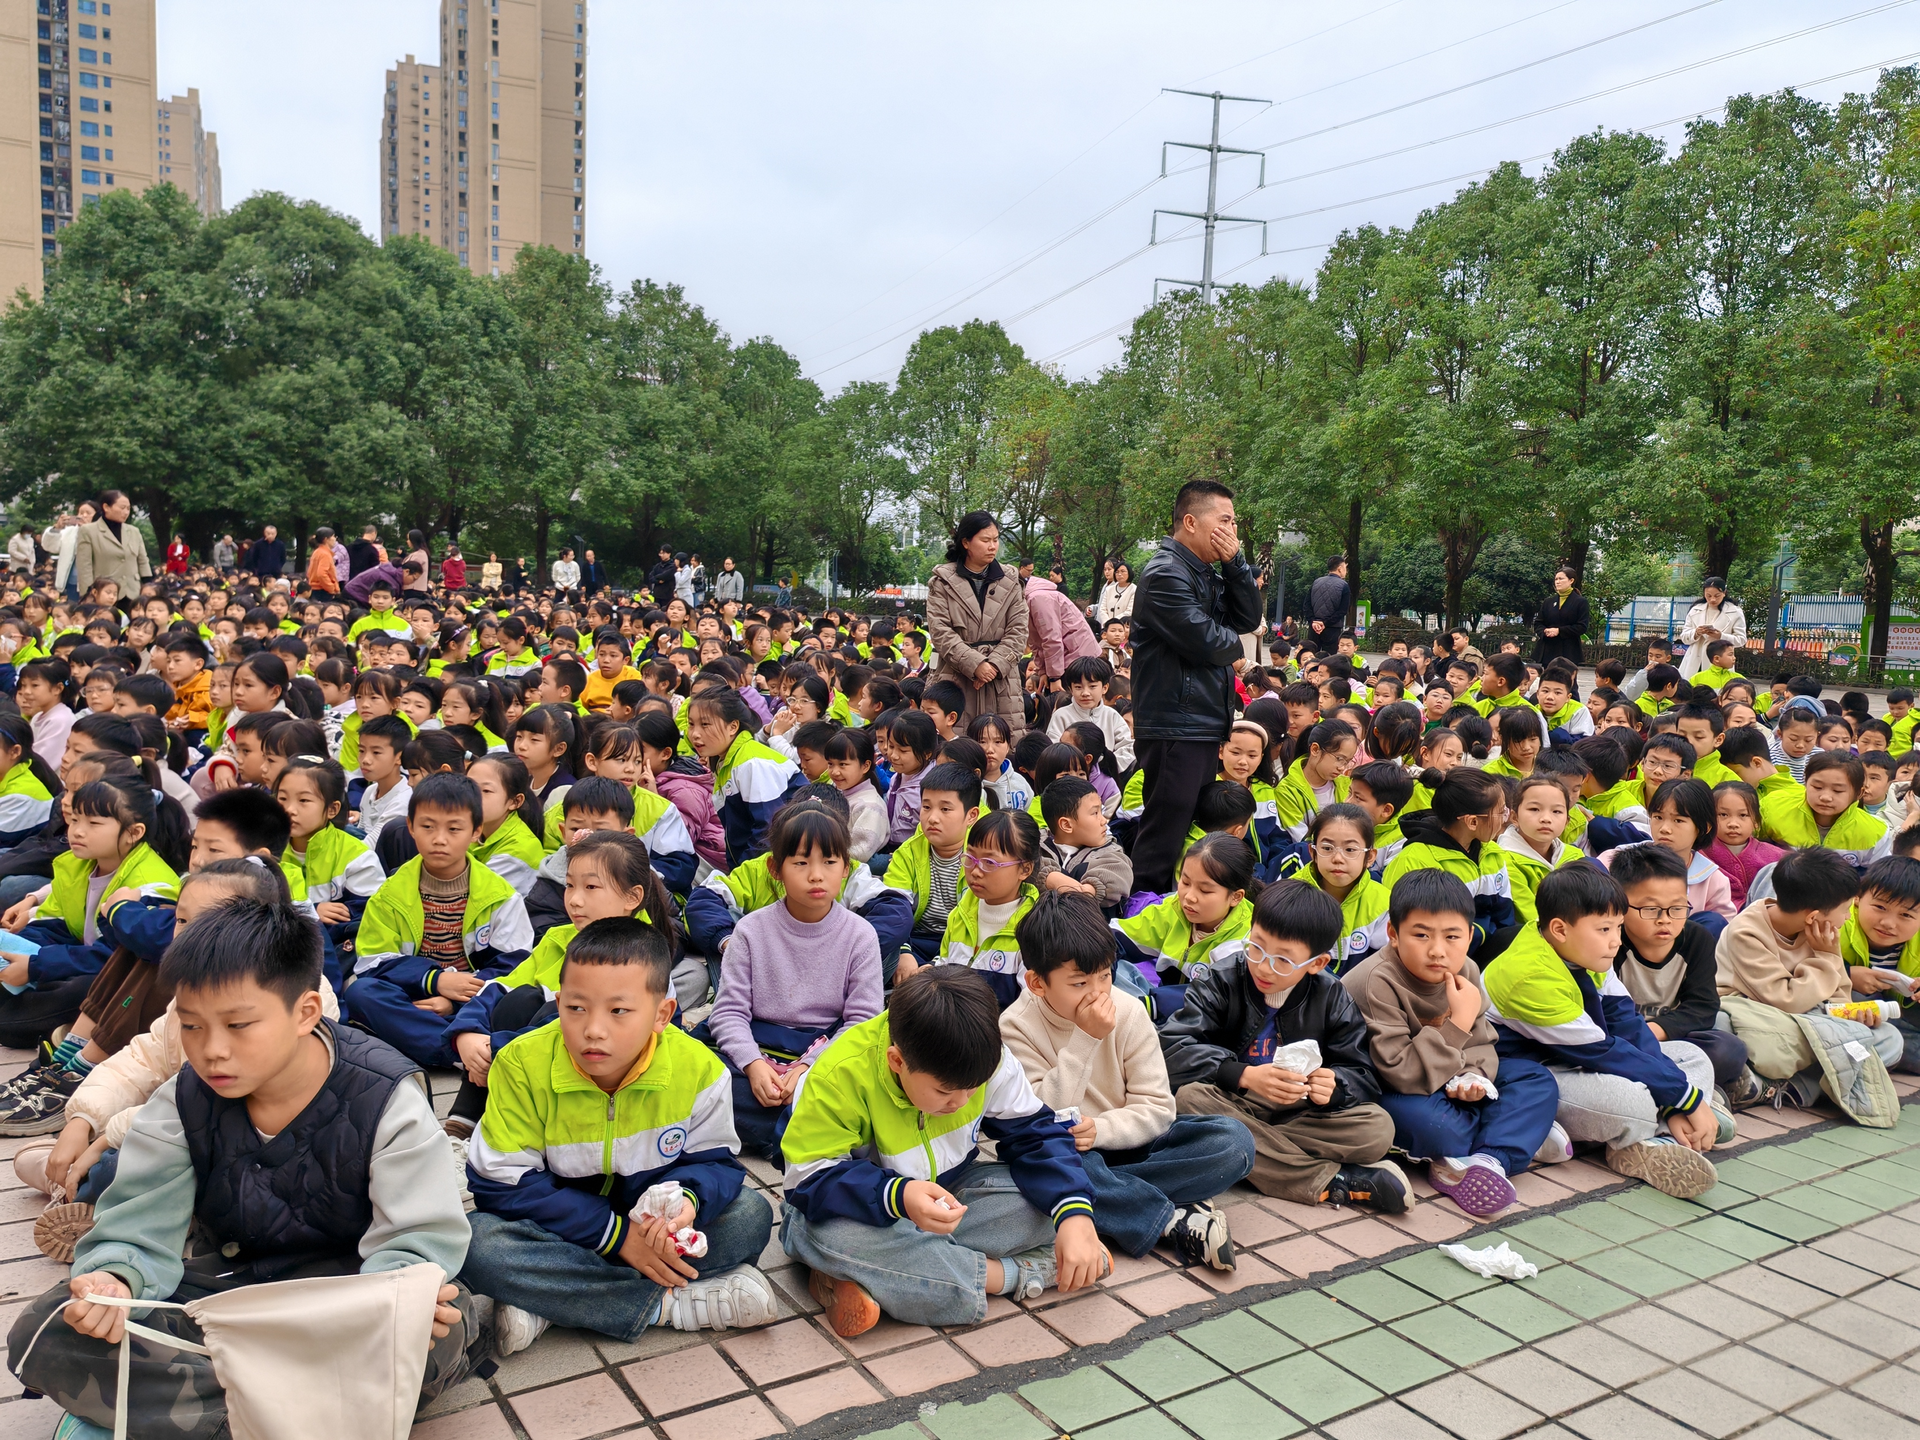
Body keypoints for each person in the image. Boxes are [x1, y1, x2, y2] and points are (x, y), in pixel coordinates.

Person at [7, 898, 480, 1437]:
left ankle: (194, 1410)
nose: (212, 1051)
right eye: (191, 1026)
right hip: (231, 1291)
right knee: (46, 1329)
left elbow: (415, 1244)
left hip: (352, 1298)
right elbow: (137, 1231)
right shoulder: (182, 1101)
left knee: (440, 1330)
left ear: (305, 1012)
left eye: (238, 1025)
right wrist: (114, 1279)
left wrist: (399, 1304)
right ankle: (294, 1412)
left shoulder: (385, 1098)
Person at [458, 915, 779, 1353]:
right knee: (477, 1244)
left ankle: (551, 1300)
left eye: (618, 1011)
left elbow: (715, 1162)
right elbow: (499, 1182)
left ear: (662, 1014)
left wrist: (685, 1201)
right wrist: (615, 1236)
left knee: (751, 1217)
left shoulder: (700, 1069)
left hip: (647, 1227)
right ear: (559, 1001)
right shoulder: (520, 1064)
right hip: (560, 1225)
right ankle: (667, 1306)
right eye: (576, 1008)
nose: (593, 1029)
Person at [779, 964, 1105, 1336]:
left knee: (1060, 1198)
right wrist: (899, 1196)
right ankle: (1016, 1274)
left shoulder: (986, 1056)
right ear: (897, 1061)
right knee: (827, 1236)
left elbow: (1037, 1135)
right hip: (858, 1211)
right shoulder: (837, 1074)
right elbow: (808, 1180)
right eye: (945, 1091)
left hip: (947, 1198)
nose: (962, 1101)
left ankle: (873, 1273)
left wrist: (1074, 1216)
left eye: (973, 1088)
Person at [1001, 891, 1253, 1268]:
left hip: (1129, 1141)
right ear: (1037, 983)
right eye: (1079, 983)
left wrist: (1101, 1130)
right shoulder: (1015, 1027)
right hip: (1070, 1153)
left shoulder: (1129, 1010)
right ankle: (1172, 1219)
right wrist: (1085, 1038)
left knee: (1234, 1142)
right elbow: (1042, 1116)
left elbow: (1157, 1109)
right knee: (1039, 1163)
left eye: (1105, 976)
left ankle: (1114, 1203)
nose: (1097, 993)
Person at [1162, 879, 1405, 1211]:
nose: (1264, 966)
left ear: (1317, 963)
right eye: (1256, 948)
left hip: (1297, 1113)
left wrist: (1335, 1086)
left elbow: (1361, 1073)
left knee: (1377, 1128)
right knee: (1190, 1099)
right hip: (1233, 1100)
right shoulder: (1222, 979)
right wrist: (1243, 1075)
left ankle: (1241, 1151)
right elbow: (1172, 1047)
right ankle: (1330, 1180)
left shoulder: (1331, 996)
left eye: (1283, 961)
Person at [1484, 863, 1723, 1197]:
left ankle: (1660, 1134)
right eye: (1605, 929)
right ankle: (1667, 1131)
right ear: (1559, 929)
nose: (1616, 941)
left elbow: (1627, 1025)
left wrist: (1678, 1100)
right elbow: (1604, 1051)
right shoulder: (1529, 975)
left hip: (1581, 1059)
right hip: (1534, 1074)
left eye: (1618, 927)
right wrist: (1688, 1099)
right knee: (1633, 1103)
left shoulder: (1583, 950)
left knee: (1692, 1056)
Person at [1342, 871, 1565, 1217]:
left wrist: (1474, 1078)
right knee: (1442, 1130)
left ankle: (1488, 1159)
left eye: (1452, 936)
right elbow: (1400, 1071)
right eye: (1421, 935)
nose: (1437, 950)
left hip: (1448, 1081)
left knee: (1535, 1079)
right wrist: (1457, 1023)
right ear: (1393, 934)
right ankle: (1513, 1135)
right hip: (1390, 1087)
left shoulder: (1468, 971)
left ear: (1470, 936)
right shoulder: (1375, 980)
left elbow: (1481, 1043)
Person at [708, 801, 884, 1160]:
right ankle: (803, 1133)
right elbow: (728, 1013)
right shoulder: (750, 931)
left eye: (829, 862)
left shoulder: (860, 936)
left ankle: (776, 1128)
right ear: (776, 869)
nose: (816, 875)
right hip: (756, 1047)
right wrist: (754, 1065)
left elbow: (862, 1022)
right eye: (801, 863)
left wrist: (808, 1067)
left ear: (846, 868)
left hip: (824, 1054)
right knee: (704, 1077)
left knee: (863, 1079)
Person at [342, 773, 535, 1067]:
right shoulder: (390, 895)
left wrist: (454, 1001)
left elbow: (514, 965)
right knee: (361, 992)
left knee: (521, 999)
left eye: (454, 828)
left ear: (476, 831)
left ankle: (435, 1041)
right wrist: (435, 981)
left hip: (474, 998)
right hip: (416, 998)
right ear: (410, 826)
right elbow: (372, 962)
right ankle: (461, 1050)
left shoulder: (500, 896)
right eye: (427, 826)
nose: (439, 839)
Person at [1130, 480, 1263, 892]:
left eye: (1234, 522)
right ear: (1190, 522)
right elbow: (1210, 641)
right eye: (1225, 520)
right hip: (1176, 724)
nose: (1232, 530)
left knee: (1194, 827)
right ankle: (1140, 909)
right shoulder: (1166, 573)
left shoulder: (1203, 571)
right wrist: (1233, 645)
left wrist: (1236, 564)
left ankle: (1182, 903)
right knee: (1166, 831)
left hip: (1199, 721)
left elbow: (1246, 619)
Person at [1715, 847, 1905, 1095]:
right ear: (1813, 916)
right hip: (1761, 1017)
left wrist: (1853, 1017)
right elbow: (1786, 1000)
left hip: (1810, 1022)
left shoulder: (1823, 930)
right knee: (1721, 1026)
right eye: (1845, 910)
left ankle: (1782, 1086)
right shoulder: (1747, 932)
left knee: (1890, 1039)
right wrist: (1824, 958)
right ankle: (1814, 1079)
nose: (1848, 918)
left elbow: (1840, 995)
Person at [1607, 843, 1755, 1099]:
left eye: (1677, 908)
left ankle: (1663, 1085)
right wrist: (1639, 1036)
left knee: (1728, 1050)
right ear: (1620, 905)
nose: (1665, 919)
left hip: (1671, 1038)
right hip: (1624, 1039)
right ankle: (1693, 1088)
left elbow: (1702, 1007)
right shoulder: (1609, 943)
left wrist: (1655, 1031)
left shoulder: (1697, 939)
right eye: (1651, 909)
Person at [925, 511, 1030, 741]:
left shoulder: (1011, 580)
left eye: (995, 540)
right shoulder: (942, 582)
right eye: (985, 540)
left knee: (1001, 746)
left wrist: (993, 665)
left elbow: (1019, 630)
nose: (992, 546)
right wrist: (975, 664)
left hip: (1001, 681)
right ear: (966, 542)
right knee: (954, 749)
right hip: (955, 676)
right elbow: (940, 632)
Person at [72, 491, 153, 606]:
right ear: (106, 507)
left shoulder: (134, 531)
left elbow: (143, 560)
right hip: (104, 593)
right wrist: (87, 594)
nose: (126, 512)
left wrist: (148, 584)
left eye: (128, 508)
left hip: (132, 592)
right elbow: (84, 566)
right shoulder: (88, 531)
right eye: (122, 508)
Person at [1025, 568, 1100, 685]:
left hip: (1077, 656)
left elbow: (1052, 638)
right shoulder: (1025, 599)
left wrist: (1054, 677)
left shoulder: (1038, 598)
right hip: (1062, 659)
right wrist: (1043, 671)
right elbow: (1034, 641)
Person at [1679, 577, 1747, 678]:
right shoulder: (1695, 610)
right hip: (1694, 661)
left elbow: (1741, 640)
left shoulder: (1735, 612)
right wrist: (1696, 633)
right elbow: (1684, 638)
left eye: (1717, 595)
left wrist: (1721, 636)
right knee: (1691, 685)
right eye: (1708, 596)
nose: (1712, 599)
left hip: (1720, 662)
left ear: (1724, 593)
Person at [1533, 566, 1588, 669]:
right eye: (1556, 579)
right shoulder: (1548, 602)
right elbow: (1538, 623)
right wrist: (1545, 631)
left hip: (1568, 652)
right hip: (1548, 651)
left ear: (1571, 580)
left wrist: (1559, 631)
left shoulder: (1580, 602)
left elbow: (1582, 626)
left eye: (1561, 579)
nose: (1557, 582)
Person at [1306, 555, 1350, 644]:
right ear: (1340, 569)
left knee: (1312, 651)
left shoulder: (1316, 582)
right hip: (1332, 629)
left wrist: (1313, 621)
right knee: (1329, 653)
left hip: (1314, 628)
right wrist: (1325, 623)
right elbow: (1343, 610)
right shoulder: (1344, 586)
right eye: (1345, 568)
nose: (1346, 571)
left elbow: (1306, 605)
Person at [1096, 559, 1135, 627]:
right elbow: (1102, 609)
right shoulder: (1109, 589)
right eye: (1117, 572)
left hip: (1123, 628)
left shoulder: (1134, 590)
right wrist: (1107, 623)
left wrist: (1113, 622)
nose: (1119, 574)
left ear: (1129, 573)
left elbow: (1129, 611)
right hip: (1106, 627)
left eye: (1122, 571)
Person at [307, 526, 340, 596]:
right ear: (326, 539)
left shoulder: (317, 551)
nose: (335, 539)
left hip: (315, 590)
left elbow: (309, 572)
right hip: (323, 592)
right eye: (333, 536)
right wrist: (332, 589)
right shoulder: (325, 554)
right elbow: (321, 574)